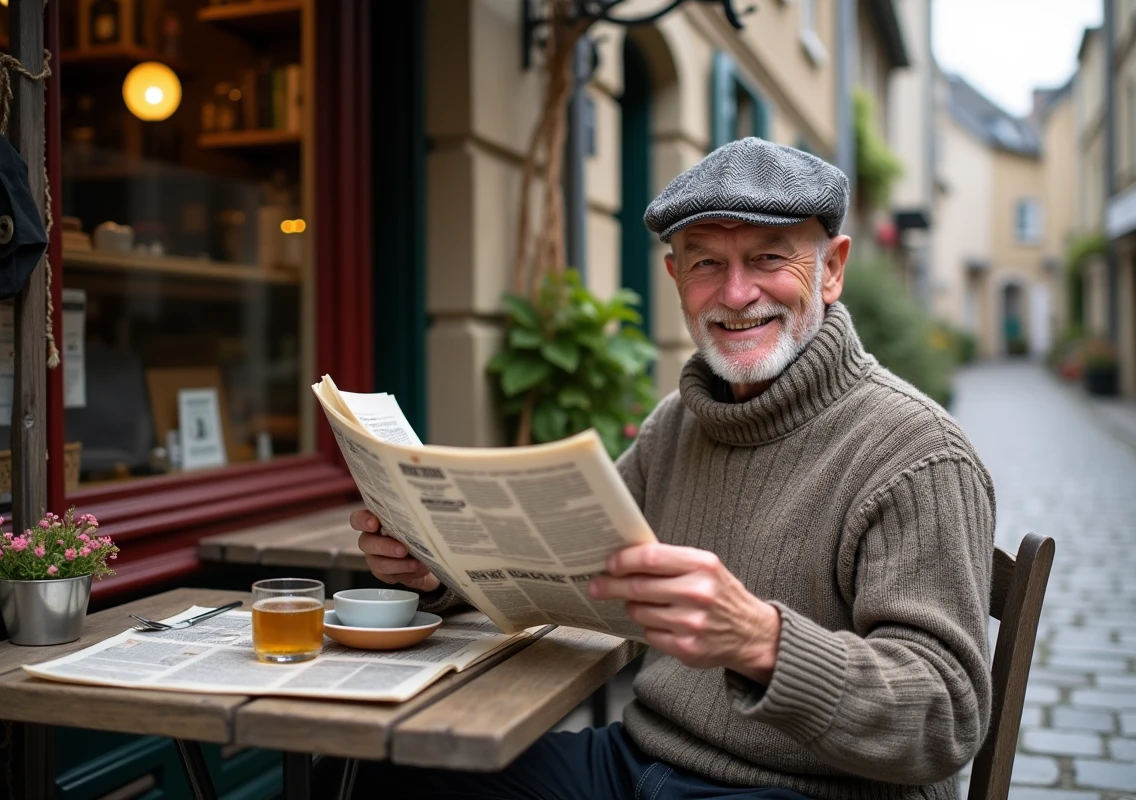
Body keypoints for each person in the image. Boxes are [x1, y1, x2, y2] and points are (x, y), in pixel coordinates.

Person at [337, 138, 995, 800]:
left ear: (831, 269)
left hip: (817, 789)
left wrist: (762, 641)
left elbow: (945, 715)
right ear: (677, 278)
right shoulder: (678, 422)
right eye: (708, 262)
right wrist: (436, 570)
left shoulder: (917, 452)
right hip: (641, 761)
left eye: (768, 257)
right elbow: (563, 573)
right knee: (399, 767)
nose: (737, 294)